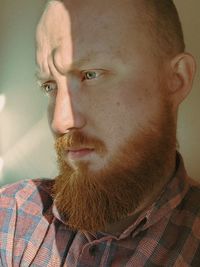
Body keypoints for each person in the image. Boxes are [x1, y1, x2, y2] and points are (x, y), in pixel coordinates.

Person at [0, 0, 199, 266]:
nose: (60, 122)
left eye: (90, 74)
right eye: (49, 86)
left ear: (176, 79)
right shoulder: (12, 215)